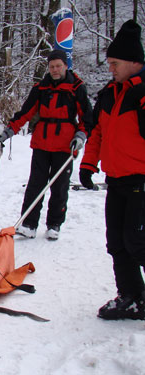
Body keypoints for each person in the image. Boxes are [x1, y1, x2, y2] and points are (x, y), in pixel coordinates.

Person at [78, 20, 145, 320]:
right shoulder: (109, 94)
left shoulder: (142, 94)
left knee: (138, 241)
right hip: (116, 179)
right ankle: (131, 296)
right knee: (117, 242)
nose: (111, 69)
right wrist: (88, 164)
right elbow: (98, 134)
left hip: (141, 180)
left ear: (135, 62)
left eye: (115, 63)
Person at [0, 49, 93, 240]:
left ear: (66, 66)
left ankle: (54, 224)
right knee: (35, 184)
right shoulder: (41, 88)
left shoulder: (77, 88)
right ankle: (29, 223)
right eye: (51, 67)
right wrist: (10, 130)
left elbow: (87, 118)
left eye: (58, 66)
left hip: (65, 145)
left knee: (59, 187)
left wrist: (81, 135)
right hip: (41, 143)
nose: (55, 70)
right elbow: (25, 112)